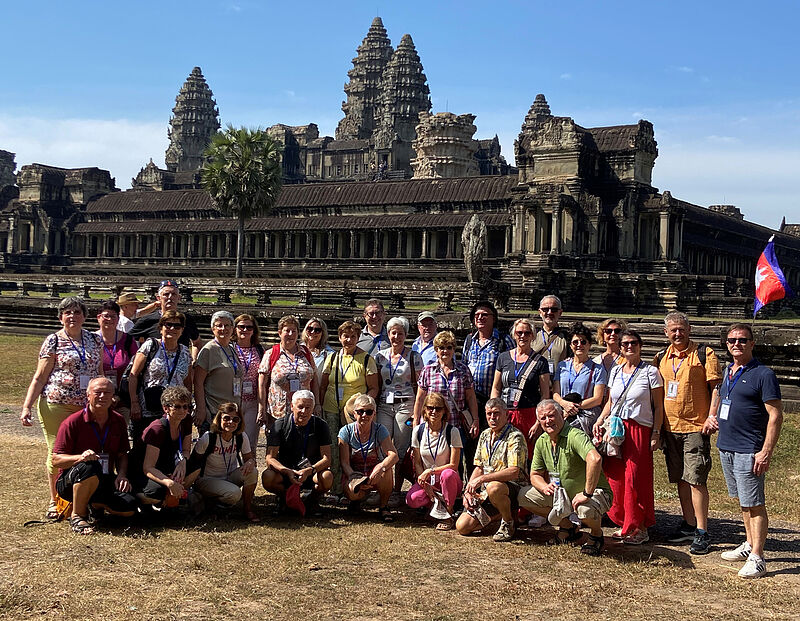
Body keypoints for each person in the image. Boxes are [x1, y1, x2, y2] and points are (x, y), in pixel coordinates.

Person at [703, 323, 783, 579]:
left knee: (755, 503)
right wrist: (712, 415)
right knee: (743, 501)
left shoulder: (763, 374)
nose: (736, 344)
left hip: (749, 448)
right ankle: (749, 544)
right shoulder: (728, 371)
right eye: (731, 340)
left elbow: (775, 415)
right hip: (727, 445)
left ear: (752, 343)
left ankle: (758, 557)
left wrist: (765, 451)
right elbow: (718, 394)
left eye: (742, 340)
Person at [20, 296, 103, 519]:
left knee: (86, 452)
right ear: (60, 317)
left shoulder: (95, 340)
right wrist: (27, 406)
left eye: (77, 312)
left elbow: (100, 372)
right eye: (67, 313)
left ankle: (81, 498)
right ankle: (55, 500)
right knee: (57, 452)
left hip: (88, 407)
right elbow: (39, 377)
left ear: (85, 316)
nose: (72, 316)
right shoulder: (53, 341)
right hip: (57, 404)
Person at [654, 311, 721, 555]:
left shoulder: (704, 354)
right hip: (670, 426)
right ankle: (689, 524)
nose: (678, 333)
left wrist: (712, 416)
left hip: (695, 425)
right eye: (673, 330)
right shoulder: (661, 357)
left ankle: (702, 531)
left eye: (681, 329)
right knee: (680, 478)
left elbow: (716, 388)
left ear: (689, 329)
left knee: (696, 479)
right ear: (666, 333)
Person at [592, 329, 664, 545]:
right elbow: (611, 402)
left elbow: (659, 406)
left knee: (635, 477)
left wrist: (656, 432)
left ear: (640, 346)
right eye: (625, 344)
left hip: (638, 428)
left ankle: (640, 526)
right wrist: (599, 420)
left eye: (633, 343)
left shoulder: (650, 372)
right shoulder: (615, 370)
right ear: (620, 348)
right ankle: (625, 523)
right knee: (616, 477)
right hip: (615, 428)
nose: (629, 347)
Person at [518, 400, 613, 555]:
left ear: (562, 415)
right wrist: (544, 487)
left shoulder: (575, 435)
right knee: (524, 496)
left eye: (551, 416)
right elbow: (535, 475)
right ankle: (568, 528)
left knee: (584, 509)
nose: (547, 421)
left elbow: (595, 459)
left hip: (592, 494)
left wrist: (587, 493)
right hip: (563, 496)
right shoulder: (542, 441)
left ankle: (596, 535)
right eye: (543, 418)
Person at [51, 377, 137, 534]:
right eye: (98, 392)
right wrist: (80, 458)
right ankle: (78, 516)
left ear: (113, 396)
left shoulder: (118, 420)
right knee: (89, 466)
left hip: (104, 478)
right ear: (88, 395)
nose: (103, 396)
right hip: (72, 481)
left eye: (107, 392)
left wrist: (122, 475)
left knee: (129, 508)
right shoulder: (72, 422)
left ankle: (95, 504)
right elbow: (56, 460)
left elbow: (122, 453)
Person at [455, 398, 528, 542]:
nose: (492, 418)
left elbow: (514, 471)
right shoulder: (485, 435)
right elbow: (479, 467)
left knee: (494, 487)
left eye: (496, 413)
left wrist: (482, 479)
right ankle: (500, 515)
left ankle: (508, 523)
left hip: (511, 487)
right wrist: (469, 491)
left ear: (506, 414)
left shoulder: (515, 436)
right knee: (462, 527)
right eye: (489, 414)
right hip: (486, 491)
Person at [320, 321, 379, 495]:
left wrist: (365, 405)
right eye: (345, 336)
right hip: (331, 407)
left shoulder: (366, 359)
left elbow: (374, 387)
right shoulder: (332, 357)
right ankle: (335, 489)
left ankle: (353, 488)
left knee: (352, 450)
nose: (349, 340)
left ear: (358, 338)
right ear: (339, 337)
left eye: (353, 336)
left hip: (355, 413)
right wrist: (319, 406)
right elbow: (323, 385)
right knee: (333, 448)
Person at [263, 390, 333, 517]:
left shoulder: (321, 425)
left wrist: (310, 470)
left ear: (313, 408)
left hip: (310, 472)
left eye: (308, 408)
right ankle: (285, 498)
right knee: (268, 476)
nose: (304, 411)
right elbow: (269, 458)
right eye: (300, 407)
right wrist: (286, 471)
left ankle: (311, 501)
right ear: (292, 406)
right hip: (286, 473)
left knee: (327, 477)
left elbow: (327, 458)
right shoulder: (279, 425)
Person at [375, 316, 424, 501]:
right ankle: (382, 486)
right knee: (383, 445)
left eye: (400, 333)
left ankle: (396, 489)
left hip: (406, 404)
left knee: (401, 448)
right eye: (393, 333)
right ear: (388, 335)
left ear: (406, 335)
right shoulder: (380, 356)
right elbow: (377, 382)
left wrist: (418, 412)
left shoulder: (414, 356)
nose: (396, 337)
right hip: (384, 405)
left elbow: (421, 385)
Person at [127, 310, 193, 447]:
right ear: (161, 328)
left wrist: (187, 405)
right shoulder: (150, 346)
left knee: (169, 447)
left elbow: (187, 382)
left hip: (175, 410)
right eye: (168, 325)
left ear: (182, 330)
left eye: (177, 326)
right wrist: (134, 402)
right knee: (145, 447)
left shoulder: (185, 352)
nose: (172, 329)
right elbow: (133, 375)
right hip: (148, 407)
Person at [414, 331, 479, 461]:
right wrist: (416, 420)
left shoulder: (463, 370)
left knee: (457, 464)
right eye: (441, 348)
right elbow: (420, 398)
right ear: (436, 350)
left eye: (449, 347)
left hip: (456, 424)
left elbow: (471, 397)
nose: (445, 351)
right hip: (433, 426)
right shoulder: (428, 370)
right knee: (433, 462)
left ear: (454, 349)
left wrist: (475, 419)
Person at [190, 402, 259, 522]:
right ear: (219, 418)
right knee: (234, 494)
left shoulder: (241, 436)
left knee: (252, 471)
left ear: (240, 422)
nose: (231, 422)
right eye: (226, 418)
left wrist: (250, 462)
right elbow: (193, 462)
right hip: (207, 479)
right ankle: (208, 502)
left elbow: (249, 459)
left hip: (228, 477)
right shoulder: (208, 437)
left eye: (235, 419)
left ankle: (247, 509)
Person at [490, 317, 550, 456]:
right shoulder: (503, 358)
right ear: (514, 335)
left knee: (527, 454)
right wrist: (494, 411)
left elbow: (545, 395)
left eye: (527, 333)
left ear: (533, 335)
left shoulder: (540, 362)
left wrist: (538, 422)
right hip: (505, 414)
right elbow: (496, 388)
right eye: (519, 333)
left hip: (528, 414)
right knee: (504, 454)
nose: (523, 336)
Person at [134, 386, 200, 508]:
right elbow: (148, 468)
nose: (183, 410)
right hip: (144, 470)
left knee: (196, 466)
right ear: (166, 408)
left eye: (186, 406)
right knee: (156, 492)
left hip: (167, 463)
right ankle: (142, 499)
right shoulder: (157, 429)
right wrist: (169, 482)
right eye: (177, 406)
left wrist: (182, 463)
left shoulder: (186, 421)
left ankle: (173, 497)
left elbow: (186, 450)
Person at [406, 393, 463, 530]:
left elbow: (454, 465)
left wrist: (430, 471)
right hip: (428, 480)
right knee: (411, 499)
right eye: (430, 408)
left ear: (444, 411)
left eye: (438, 408)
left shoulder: (452, 431)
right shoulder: (418, 431)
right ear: (424, 409)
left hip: (449, 480)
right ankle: (434, 508)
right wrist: (424, 483)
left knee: (447, 474)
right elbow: (418, 462)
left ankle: (448, 514)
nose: (434, 412)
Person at [338, 394, 399, 521]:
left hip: (373, 473)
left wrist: (381, 467)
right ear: (354, 413)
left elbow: (393, 455)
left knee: (387, 470)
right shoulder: (345, 432)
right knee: (351, 490)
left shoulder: (380, 429)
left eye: (369, 411)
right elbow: (344, 463)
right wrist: (356, 479)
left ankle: (384, 506)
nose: (364, 415)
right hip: (354, 474)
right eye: (360, 411)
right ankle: (355, 501)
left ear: (374, 414)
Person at [258, 315, 320, 429]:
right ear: (280, 332)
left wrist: (317, 404)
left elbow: (314, 379)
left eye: (294, 331)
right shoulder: (271, 354)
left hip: (304, 412)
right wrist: (261, 409)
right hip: (278, 412)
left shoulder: (306, 353)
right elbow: (261, 384)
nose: (291, 334)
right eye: (287, 331)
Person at [461, 300, 514, 430]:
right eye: (476, 315)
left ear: (493, 318)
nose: (480, 318)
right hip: (471, 400)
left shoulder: (504, 341)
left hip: (493, 399)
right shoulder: (469, 341)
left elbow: (513, 369)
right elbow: (463, 366)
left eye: (484, 315)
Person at [553, 322, 607, 437]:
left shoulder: (598, 369)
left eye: (583, 342)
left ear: (589, 344)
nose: (579, 345)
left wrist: (572, 408)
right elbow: (555, 393)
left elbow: (597, 399)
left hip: (586, 418)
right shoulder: (562, 366)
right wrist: (564, 404)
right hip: (562, 415)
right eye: (575, 342)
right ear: (571, 345)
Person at [194, 311, 243, 434]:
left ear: (232, 328)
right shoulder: (208, 350)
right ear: (212, 328)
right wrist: (201, 409)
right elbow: (198, 382)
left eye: (227, 325)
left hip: (232, 412)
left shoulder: (231, 348)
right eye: (219, 325)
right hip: (214, 411)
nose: (223, 329)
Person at [129, 280, 202, 356]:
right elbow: (126, 340)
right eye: (166, 294)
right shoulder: (147, 320)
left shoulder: (187, 319)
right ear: (158, 298)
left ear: (179, 297)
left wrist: (194, 359)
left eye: (174, 294)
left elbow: (197, 342)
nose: (170, 297)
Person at [95, 300, 138, 407]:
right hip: (98, 398)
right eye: (106, 316)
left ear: (118, 319)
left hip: (123, 397)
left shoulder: (128, 340)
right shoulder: (91, 340)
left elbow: (136, 368)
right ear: (98, 317)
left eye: (113, 316)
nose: (109, 319)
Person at [233, 313, 265, 451]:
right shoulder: (229, 348)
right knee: (231, 439)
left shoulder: (259, 350)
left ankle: (250, 469)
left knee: (250, 442)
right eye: (241, 327)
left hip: (252, 401)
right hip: (233, 399)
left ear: (254, 330)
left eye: (249, 327)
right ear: (235, 328)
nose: (245, 330)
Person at [532, 295, 569, 376]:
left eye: (554, 309)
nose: (549, 312)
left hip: (558, 384)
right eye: (545, 309)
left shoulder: (567, 337)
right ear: (540, 312)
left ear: (560, 313)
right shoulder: (532, 335)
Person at [302, 317, 336, 383]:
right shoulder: (297, 349)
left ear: (322, 333)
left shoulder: (329, 354)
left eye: (317, 330)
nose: (312, 332)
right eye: (310, 329)